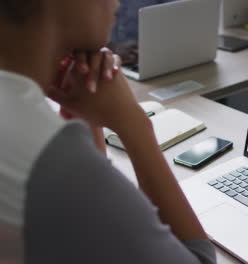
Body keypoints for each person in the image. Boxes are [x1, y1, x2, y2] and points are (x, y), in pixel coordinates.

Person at [0, 1, 215, 263]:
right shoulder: (47, 156)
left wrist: (83, 116)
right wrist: (134, 125)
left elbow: (90, 229)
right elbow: (197, 259)